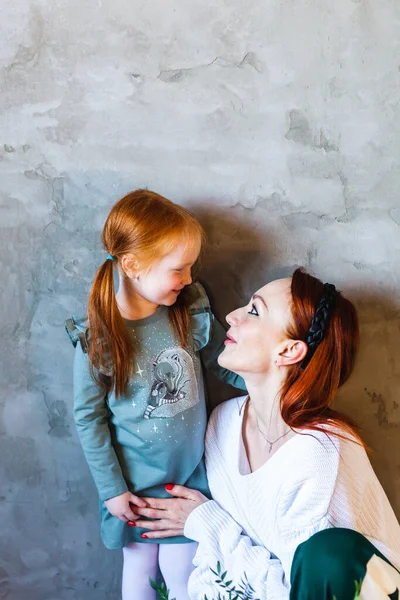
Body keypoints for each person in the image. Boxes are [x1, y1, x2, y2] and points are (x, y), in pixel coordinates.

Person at [133, 268, 400, 600]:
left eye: (254, 311)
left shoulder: (318, 455)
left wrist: (208, 522)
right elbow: (214, 567)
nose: (231, 316)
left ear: (288, 352)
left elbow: (292, 593)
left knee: (327, 553)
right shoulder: (223, 424)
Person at [65, 189, 245, 600]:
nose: (187, 279)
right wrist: (112, 491)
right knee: (141, 569)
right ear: (132, 265)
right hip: (133, 488)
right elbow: (89, 420)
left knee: (184, 573)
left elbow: (225, 363)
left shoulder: (188, 311)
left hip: (189, 481)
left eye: (189, 269)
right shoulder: (99, 340)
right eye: (178, 269)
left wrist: (276, 390)